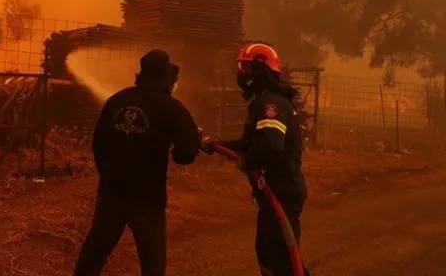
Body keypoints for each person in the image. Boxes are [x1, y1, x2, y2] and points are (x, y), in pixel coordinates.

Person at [73, 49, 201, 276]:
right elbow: (188, 152)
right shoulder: (172, 108)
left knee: (94, 253)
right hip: (147, 197)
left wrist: (110, 174)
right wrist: (177, 154)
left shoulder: (117, 100)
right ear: (166, 79)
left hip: (112, 193)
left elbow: (98, 144)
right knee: (152, 263)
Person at [201, 41, 309, 276]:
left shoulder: (271, 103)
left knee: (282, 259)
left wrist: (247, 162)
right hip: (273, 191)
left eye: (247, 69)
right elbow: (250, 144)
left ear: (261, 70)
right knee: (271, 255)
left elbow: (270, 144)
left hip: (282, 191)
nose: (241, 74)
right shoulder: (262, 101)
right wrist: (215, 145)